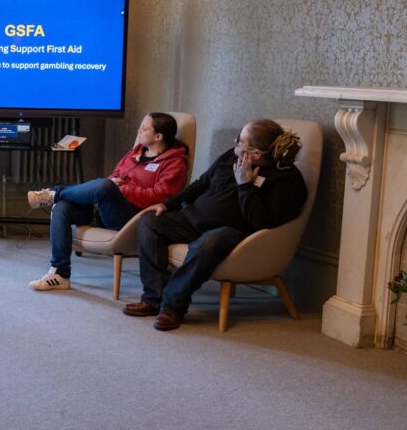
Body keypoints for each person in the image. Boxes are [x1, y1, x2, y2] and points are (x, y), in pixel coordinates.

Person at [124, 119, 307, 331]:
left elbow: (262, 223)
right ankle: (153, 299)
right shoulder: (232, 155)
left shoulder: (288, 181)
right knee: (149, 221)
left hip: (231, 232)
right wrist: (167, 204)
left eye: (240, 142)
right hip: (193, 219)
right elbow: (202, 183)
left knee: (209, 243)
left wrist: (245, 186)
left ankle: (172, 307)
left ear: (255, 154)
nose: (236, 144)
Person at [26, 113, 188, 291]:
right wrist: (114, 183)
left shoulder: (175, 163)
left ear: (158, 137)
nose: (138, 131)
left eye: (144, 128)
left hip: (132, 218)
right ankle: (60, 274)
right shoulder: (135, 152)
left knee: (104, 185)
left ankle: (54, 193)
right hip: (106, 209)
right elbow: (115, 176)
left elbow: (160, 197)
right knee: (62, 208)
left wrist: (120, 188)